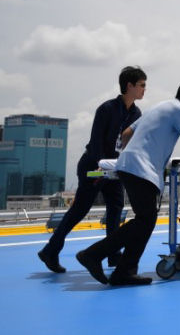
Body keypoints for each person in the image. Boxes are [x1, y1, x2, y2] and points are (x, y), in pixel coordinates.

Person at [76, 80, 180, 286]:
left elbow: (126, 134)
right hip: (142, 171)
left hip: (130, 166)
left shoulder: (159, 107)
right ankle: (92, 254)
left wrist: (130, 155)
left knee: (146, 221)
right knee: (144, 220)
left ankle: (124, 271)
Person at [37, 66, 147, 274]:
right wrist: (99, 163)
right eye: (141, 85)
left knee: (115, 209)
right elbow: (96, 139)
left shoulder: (136, 113)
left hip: (114, 169)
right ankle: (50, 250)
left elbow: (130, 143)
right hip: (93, 166)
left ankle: (113, 254)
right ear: (129, 85)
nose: (144, 89)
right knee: (80, 209)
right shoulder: (106, 109)